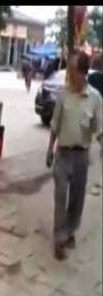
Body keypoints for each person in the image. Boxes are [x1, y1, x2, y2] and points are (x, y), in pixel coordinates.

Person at [46, 50, 103, 261]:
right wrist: (49, 150)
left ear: (82, 72)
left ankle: (70, 231)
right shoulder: (63, 94)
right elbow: (55, 124)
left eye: (72, 70)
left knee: (76, 200)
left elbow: (99, 128)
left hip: (81, 157)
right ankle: (59, 238)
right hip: (62, 153)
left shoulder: (95, 98)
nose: (68, 73)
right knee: (60, 197)